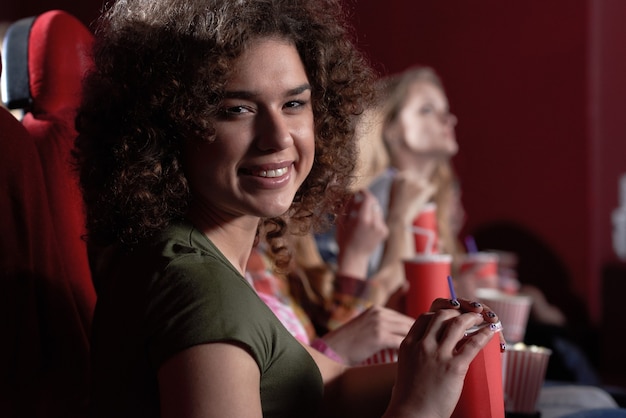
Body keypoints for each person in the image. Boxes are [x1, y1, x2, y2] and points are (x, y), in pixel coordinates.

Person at [74, 0, 501, 417]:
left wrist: (445, 359)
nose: (278, 137)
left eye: (294, 104)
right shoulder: (200, 290)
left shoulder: (198, 257)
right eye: (236, 110)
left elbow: (324, 384)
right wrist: (419, 407)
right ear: (166, 126)